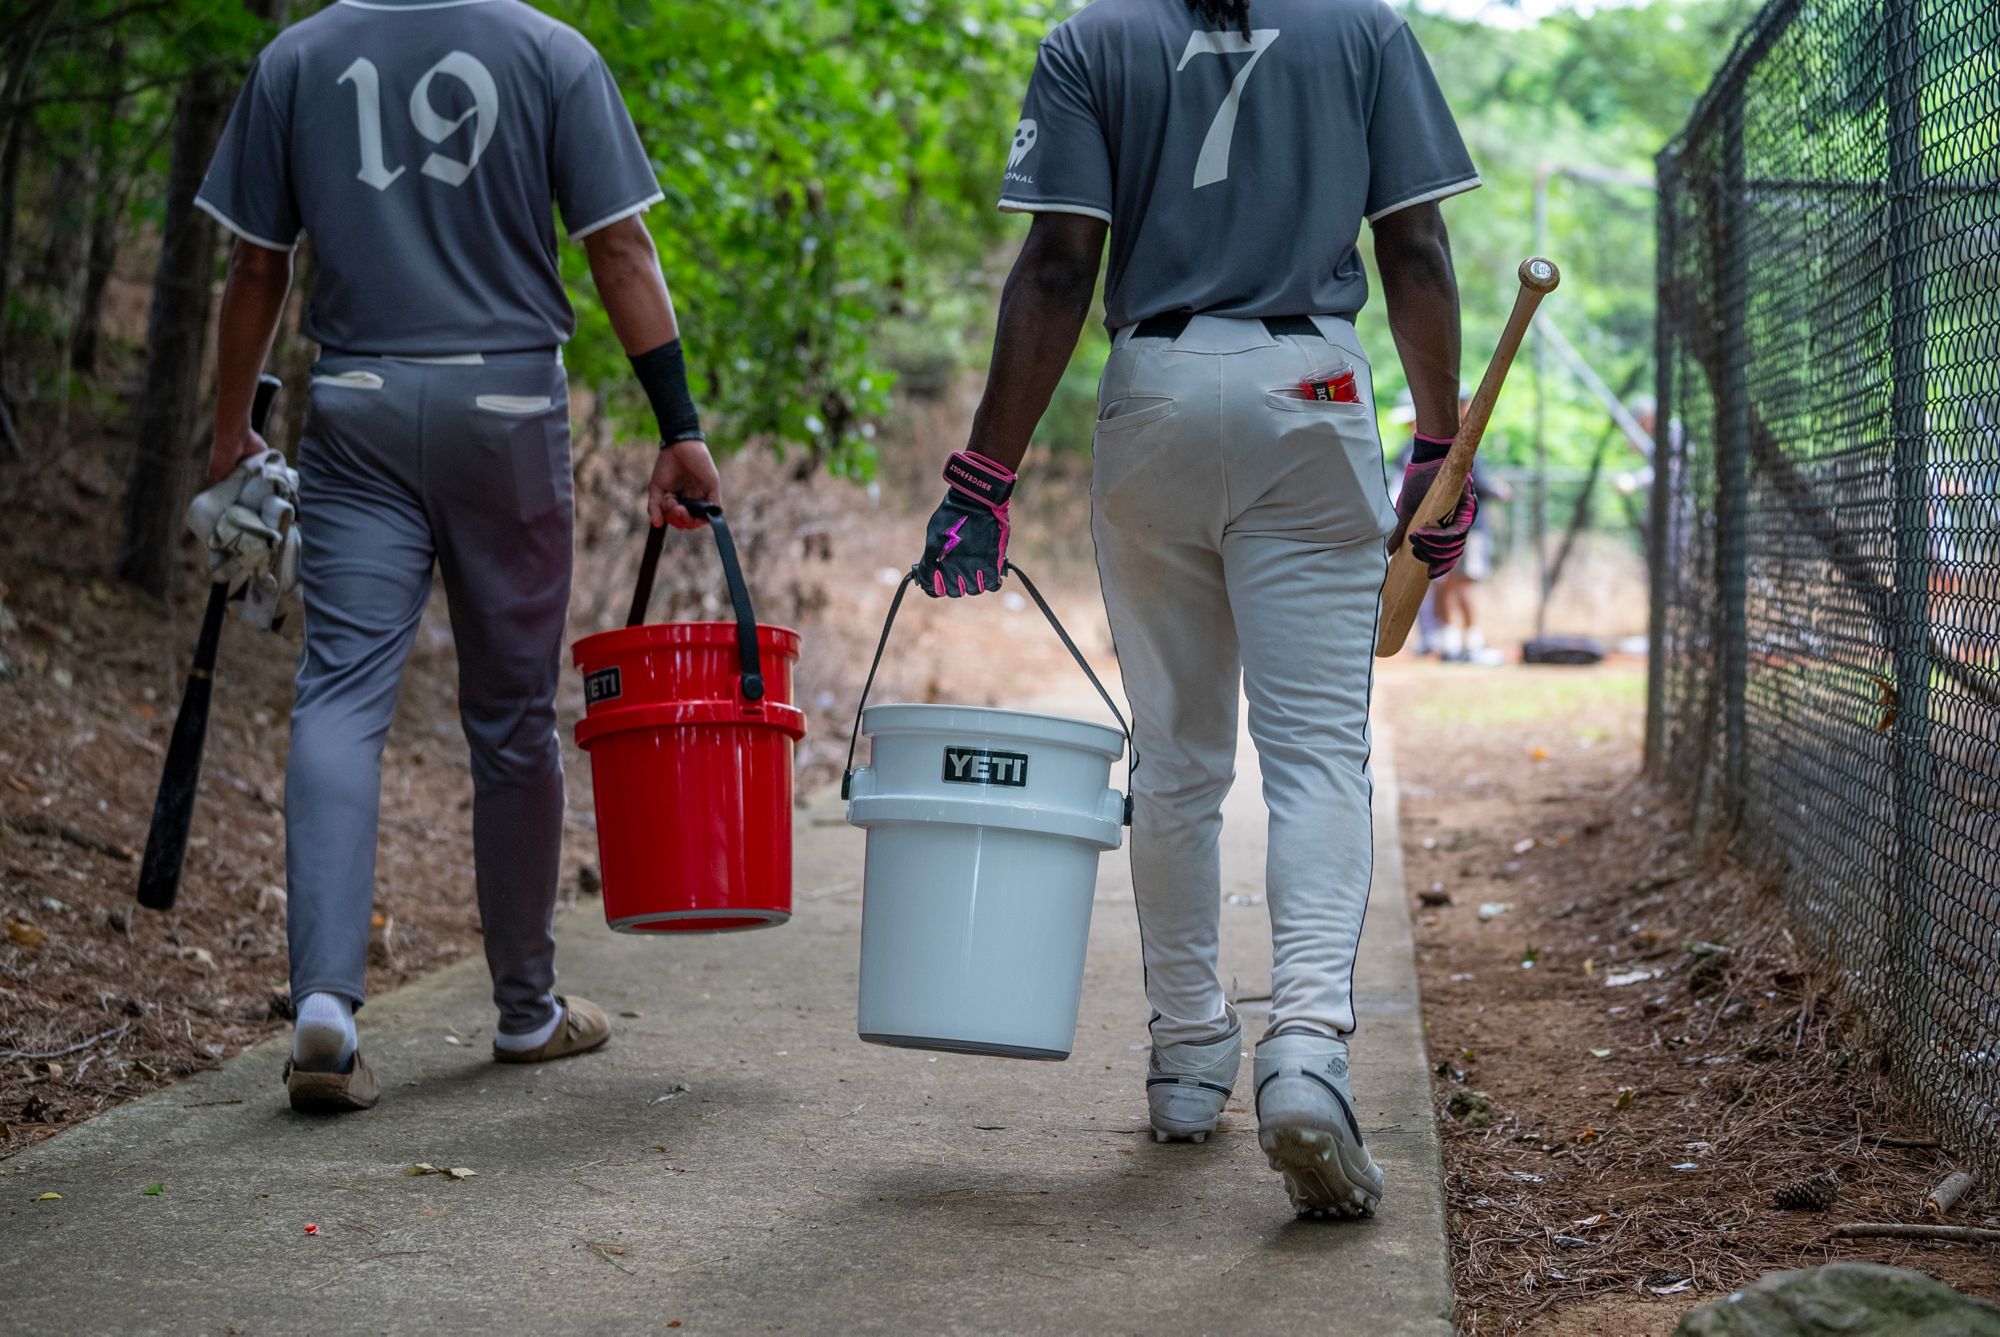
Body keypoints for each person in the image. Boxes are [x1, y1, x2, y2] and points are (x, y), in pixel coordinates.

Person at [915, 0, 1478, 1217]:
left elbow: (1059, 264)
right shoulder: (1361, 29)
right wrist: (1438, 446)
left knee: (1174, 761)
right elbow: (1415, 248)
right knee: (1318, 757)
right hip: (1307, 382)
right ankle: (1308, 1053)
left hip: (1154, 387)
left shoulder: (1089, 39)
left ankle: (1185, 1055)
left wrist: (982, 477)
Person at [194, 0, 720, 1113]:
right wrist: (679, 426)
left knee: (338, 696)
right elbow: (619, 248)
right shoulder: (549, 52)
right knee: (513, 714)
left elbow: (255, 270)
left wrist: (227, 428)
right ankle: (527, 1008)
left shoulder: (299, 56)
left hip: (359, 399)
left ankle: (324, 1008)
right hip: (509, 405)